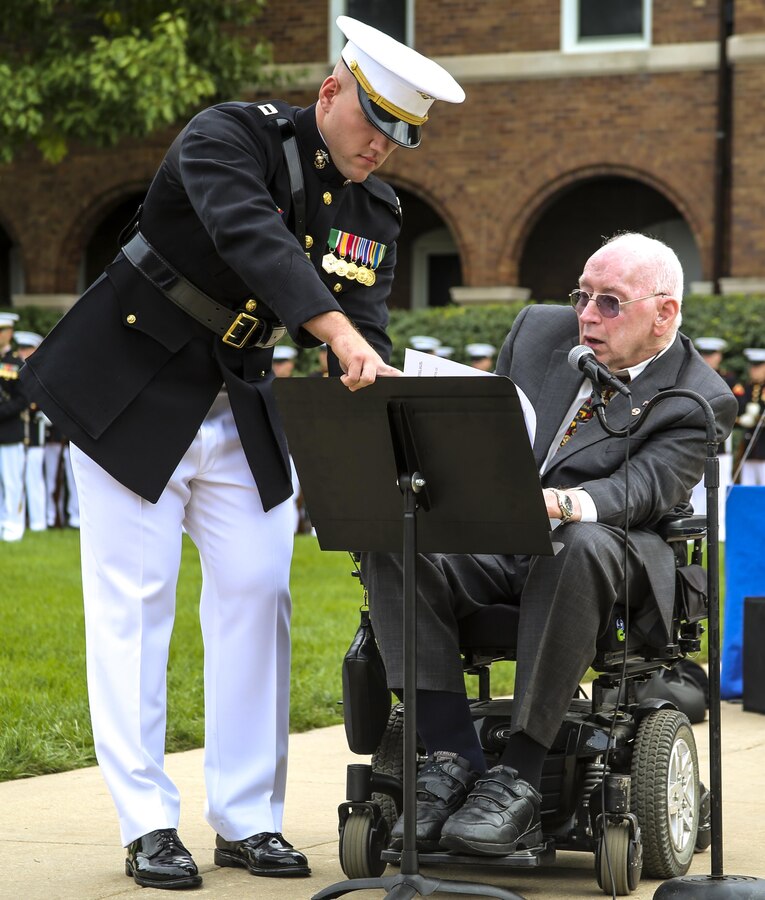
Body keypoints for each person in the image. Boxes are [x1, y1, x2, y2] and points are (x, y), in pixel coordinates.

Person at [20, 15, 464, 891]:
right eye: (373, 122)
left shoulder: (376, 206)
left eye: (402, 136)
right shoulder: (231, 136)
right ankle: (147, 821)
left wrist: (364, 376)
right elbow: (250, 238)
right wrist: (334, 332)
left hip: (241, 406)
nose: (383, 147)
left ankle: (248, 819)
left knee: (260, 597)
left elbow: (363, 323)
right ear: (331, 90)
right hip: (131, 387)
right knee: (135, 605)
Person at [362, 232, 738, 857]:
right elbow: (489, 425)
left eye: (610, 303)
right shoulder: (540, 331)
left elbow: (643, 487)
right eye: (582, 296)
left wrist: (558, 503)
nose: (586, 316)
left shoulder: (699, 398)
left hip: (605, 553)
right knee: (392, 536)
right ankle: (451, 758)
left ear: (664, 312)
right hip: (500, 536)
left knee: (582, 540)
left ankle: (520, 775)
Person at [689, 336, 736, 537]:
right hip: (695, 442)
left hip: (719, 443)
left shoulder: (728, 380)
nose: (708, 359)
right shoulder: (692, 377)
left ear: (719, 357)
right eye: (705, 354)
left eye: (712, 355)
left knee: (719, 486)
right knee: (693, 489)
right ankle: (694, 526)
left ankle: (719, 529)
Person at [14, 331, 48, 532]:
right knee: (16, 479)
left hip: (35, 434)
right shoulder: (16, 371)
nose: (23, 352)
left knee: (34, 479)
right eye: (21, 349)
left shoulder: (41, 372)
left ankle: (38, 522)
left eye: (28, 349)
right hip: (18, 432)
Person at [0, 311, 27, 542]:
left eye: (1, 331)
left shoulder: (16, 364)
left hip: (9, 431)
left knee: (12, 480)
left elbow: (22, 399)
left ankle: (14, 525)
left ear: (9, 333)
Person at [734, 347, 765, 485]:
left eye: (758, 366)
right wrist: (742, 419)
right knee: (747, 487)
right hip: (749, 448)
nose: (754, 370)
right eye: (752, 366)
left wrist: (759, 417)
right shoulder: (744, 388)